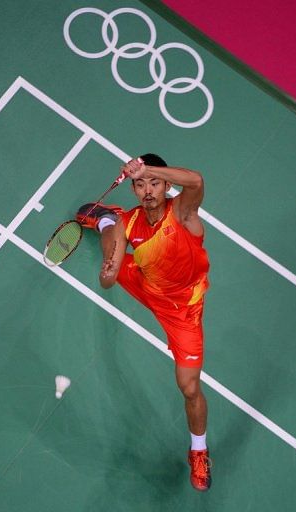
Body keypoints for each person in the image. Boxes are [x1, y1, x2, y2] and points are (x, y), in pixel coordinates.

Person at [76, 153, 212, 491]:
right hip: (146, 284)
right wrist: (107, 271)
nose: (148, 189)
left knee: (190, 387)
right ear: (133, 190)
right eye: (140, 184)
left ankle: (198, 450)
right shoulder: (132, 223)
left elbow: (196, 179)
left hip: (183, 312)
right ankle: (107, 221)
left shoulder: (182, 211)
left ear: (166, 185)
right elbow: (106, 282)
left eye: (154, 183)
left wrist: (145, 167)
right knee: (116, 251)